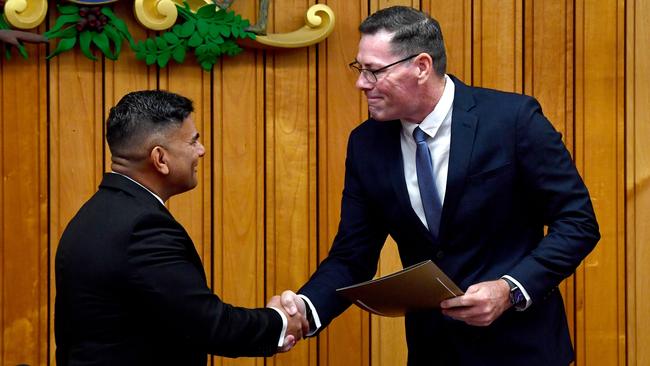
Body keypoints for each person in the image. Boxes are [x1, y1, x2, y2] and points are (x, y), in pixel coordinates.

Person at [280, 6, 600, 366]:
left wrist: (510, 289)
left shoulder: (513, 121)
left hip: (523, 350)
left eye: (373, 71)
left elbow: (578, 223)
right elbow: (352, 257)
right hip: (434, 352)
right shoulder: (366, 144)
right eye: (359, 69)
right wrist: (303, 310)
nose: (361, 83)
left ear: (421, 66)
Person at [54, 90, 307, 365]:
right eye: (193, 141)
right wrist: (280, 323)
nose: (201, 150)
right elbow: (208, 324)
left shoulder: (92, 215)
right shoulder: (143, 228)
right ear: (160, 159)